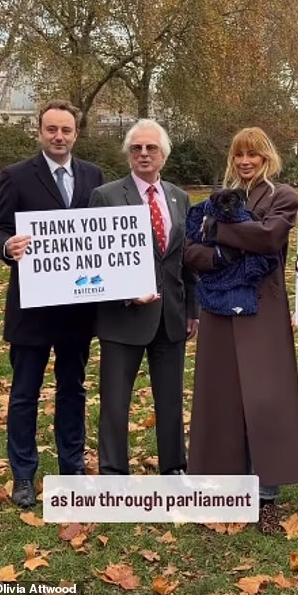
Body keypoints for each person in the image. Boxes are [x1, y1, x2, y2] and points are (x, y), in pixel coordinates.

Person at [185, 127, 298, 534]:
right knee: (223, 396)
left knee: (264, 399)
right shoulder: (216, 199)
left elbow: (269, 237)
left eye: (252, 155)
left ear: (266, 158)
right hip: (219, 307)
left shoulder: (282, 196)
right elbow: (189, 250)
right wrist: (220, 255)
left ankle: (267, 495)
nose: (245, 162)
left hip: (263, 309)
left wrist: (217, 233)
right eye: (239, 154)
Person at [0, 100, 104, 509]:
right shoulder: (16, 176)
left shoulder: (93, 176)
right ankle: (23, 476)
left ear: (76, 134)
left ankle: (72, 468)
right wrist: (8, 246)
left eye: (66, 130)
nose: (59, 136)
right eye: (51, 129)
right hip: (31, 308)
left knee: (73, 389)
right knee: (25, 394)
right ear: (39, 132)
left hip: (77, 308)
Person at [88, 119, 199, 476]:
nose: (144, 154)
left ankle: (174, 468)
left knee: (170, 399)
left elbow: (185, 260)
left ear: (164, 154)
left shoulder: (179, 197)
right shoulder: (106, 196)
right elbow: (95, 259)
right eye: (136, 148)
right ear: (128, 154)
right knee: (115, 402)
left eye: (151, 148)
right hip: (123, 319)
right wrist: (125, 294)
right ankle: (113, 473)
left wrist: (192, 309)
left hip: (171, 316)